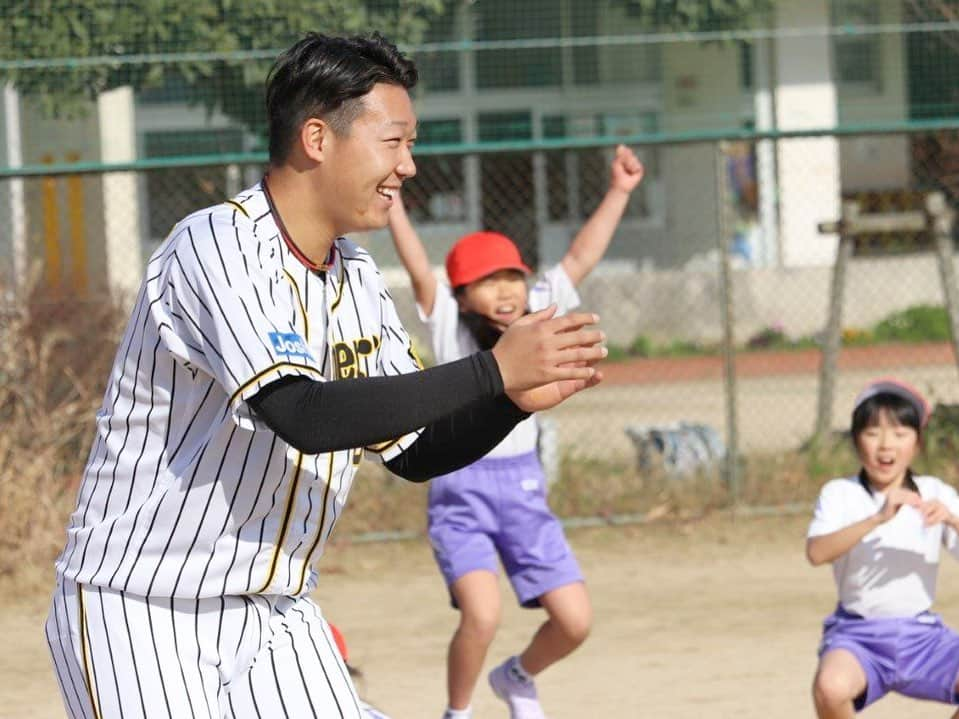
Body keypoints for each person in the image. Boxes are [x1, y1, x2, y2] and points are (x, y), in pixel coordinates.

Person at [44, 32, 608, 719]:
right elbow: (304, 415)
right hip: (140, 609)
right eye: (393, 141)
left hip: (274, 615)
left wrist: (511, 399)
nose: (408, 164)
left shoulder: (356, 276)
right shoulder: (217, 244)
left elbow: (416, 449)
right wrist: (492, 368)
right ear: (316, 137)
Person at [387, 144, 644, 719]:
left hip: (523, 488)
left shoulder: (537, 316)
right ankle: (458, 712)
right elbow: (414, 264)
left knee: (575, 621)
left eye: (513, 277)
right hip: (460, 490)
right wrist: (396, 204)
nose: (506, 291)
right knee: (482, 615)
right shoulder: (449, 322)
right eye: (487, 281)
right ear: (459, 294)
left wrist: (620, 191)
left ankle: (518, 677)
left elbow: (580, 257)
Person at [807, 377, 959, 718]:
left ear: (917, 444)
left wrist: (952, 519)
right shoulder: (840, 493)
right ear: (856, 440)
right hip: (857, 635)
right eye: (873, 433)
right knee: (830, 688)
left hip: (923, 636)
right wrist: (876, 519)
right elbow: (816, 553)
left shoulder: (936, 492)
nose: (885, 446)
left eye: (900, 434)